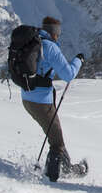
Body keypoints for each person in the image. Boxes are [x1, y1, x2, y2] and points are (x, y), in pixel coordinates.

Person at [21, 16, 85, 182]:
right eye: (59, 32)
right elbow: (68, 74)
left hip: (27, 97)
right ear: (54, 33)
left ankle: (66, 166)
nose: (59, 36)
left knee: (55, 136)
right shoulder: (49, 47)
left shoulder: (32, 42)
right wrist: (78, 60)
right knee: (56, 142)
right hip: (41, 102)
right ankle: (52, 178)